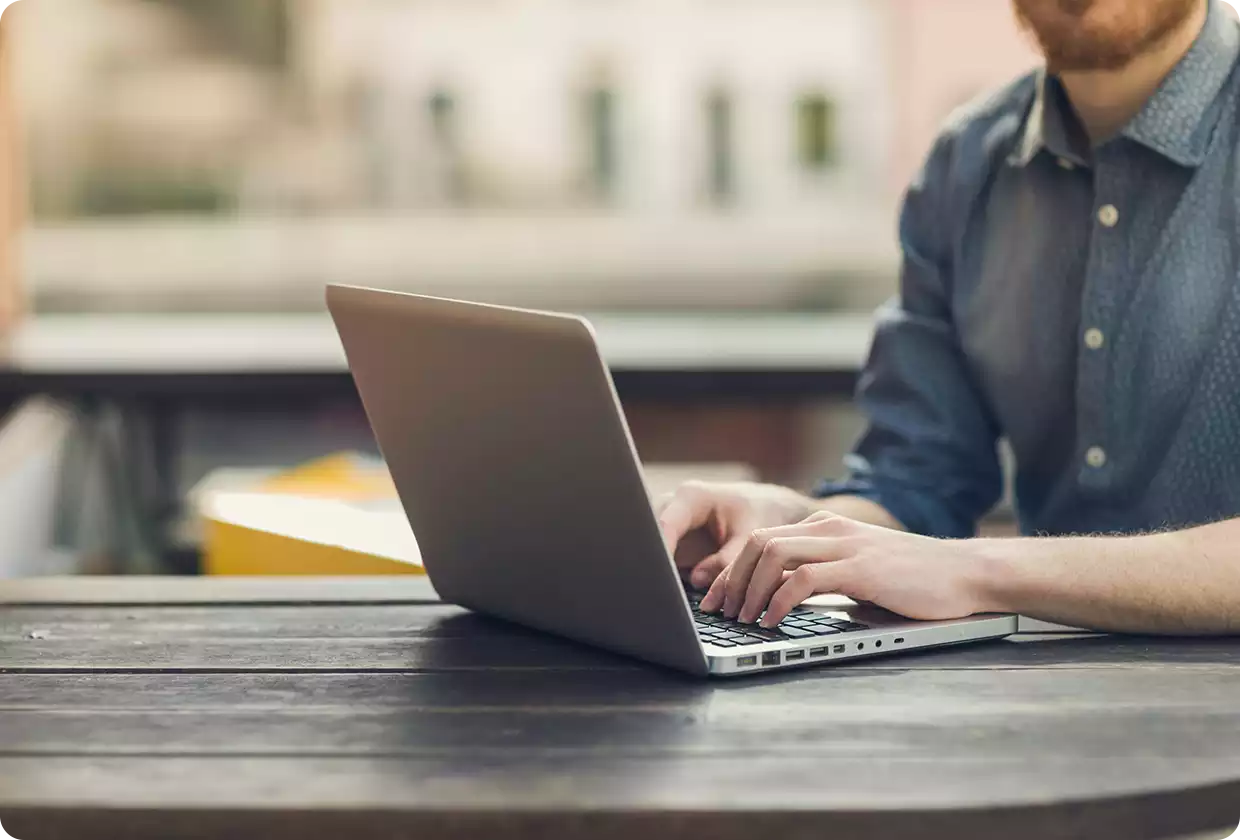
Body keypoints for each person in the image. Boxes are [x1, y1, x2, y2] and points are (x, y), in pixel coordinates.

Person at [659, 0, 1240, 636]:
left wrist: (978, 570)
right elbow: (917, 485)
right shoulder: (965, 164)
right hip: (1046, 681)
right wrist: (794, 529)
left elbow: (947, 564)